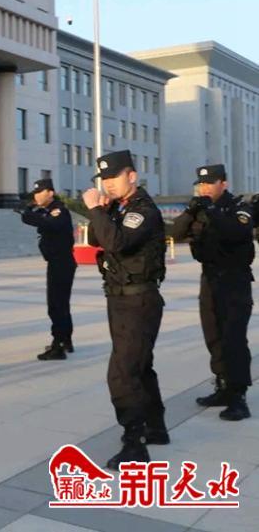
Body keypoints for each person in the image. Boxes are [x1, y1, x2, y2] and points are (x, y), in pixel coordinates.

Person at [82, 150, 167, 469]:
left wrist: (95, 209)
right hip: (120, 298)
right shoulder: (119, 208)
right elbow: (97, 239)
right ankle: (155, 427)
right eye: (104, 178)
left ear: (132, 176)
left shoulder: (142, 210)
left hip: (138, 300)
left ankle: (135, 443)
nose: (108, 184)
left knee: (122, 372)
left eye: (113, 177)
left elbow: (117, 243)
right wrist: (102, 211)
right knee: (139, 366)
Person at [172, 164, 252, 421]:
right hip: (209, 280)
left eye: (210, 183)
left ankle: (238, 396)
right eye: (202, 184)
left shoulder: (238, 208)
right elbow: (175, 233)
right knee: (213, 336)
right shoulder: (200, 208)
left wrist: (212, 211)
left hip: (234, 281)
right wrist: (191, 211)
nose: (205, 188)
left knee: (234, 339)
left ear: (223, 184)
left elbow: (235, 232)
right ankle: (222, 386)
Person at [19, 178, 76, 360]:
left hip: (61, 262)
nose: (36, 196)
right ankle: (65, 340)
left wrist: (28, 213)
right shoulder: (47, 211)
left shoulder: (58, 210)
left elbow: (48, 223)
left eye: (40, 192)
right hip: (57, 262)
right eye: (35, 193)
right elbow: (36, 219)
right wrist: (29, 212)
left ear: (50, 193)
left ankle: (58, 345)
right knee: (61, 304)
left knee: (56, 305)